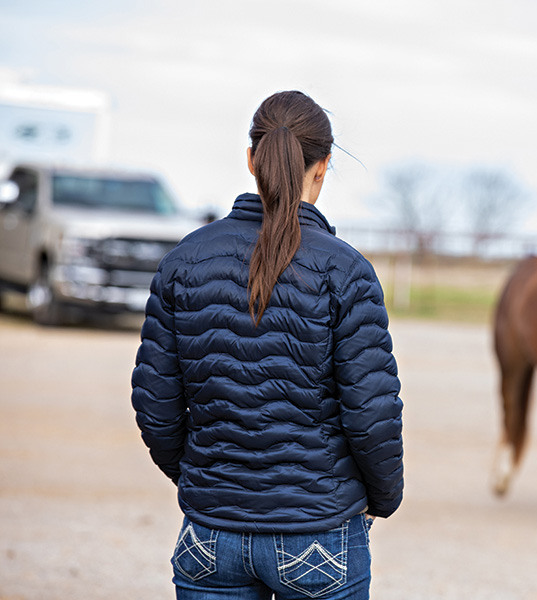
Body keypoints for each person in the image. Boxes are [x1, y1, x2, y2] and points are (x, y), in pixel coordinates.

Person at [131, 90, 403, 599]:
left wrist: (204, 483)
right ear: (322, 167)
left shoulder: (183, 261)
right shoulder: (346, 271)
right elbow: (371, 414)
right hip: (320, 534)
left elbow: (157, 409)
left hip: (209, 536)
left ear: (252, 159)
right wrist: (382, 499)